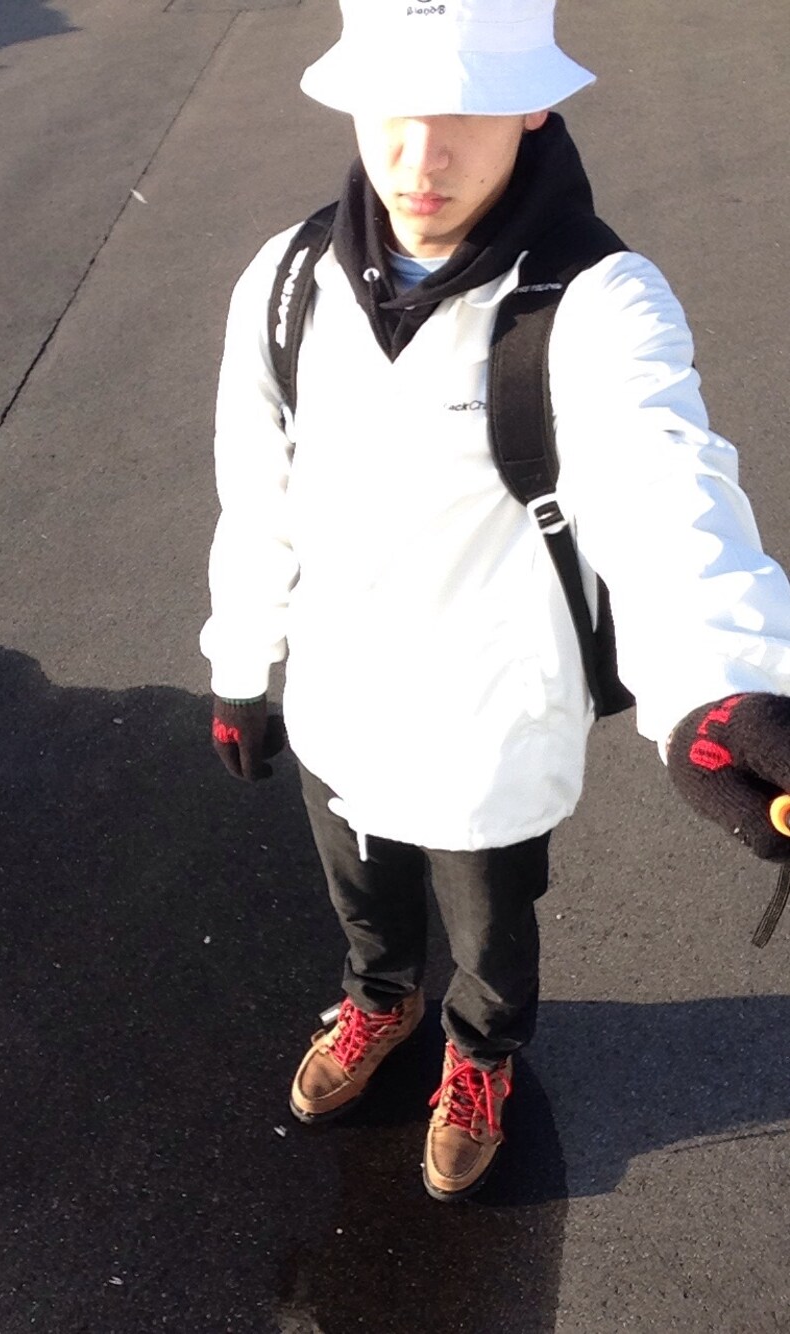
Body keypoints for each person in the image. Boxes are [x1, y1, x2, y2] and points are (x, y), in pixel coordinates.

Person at [200, 0, 790, 1201]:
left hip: (488, 718)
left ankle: (479, 1051)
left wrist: (722, 680)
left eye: (466, 108)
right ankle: (378, 998)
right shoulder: (285, 283)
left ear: (534, 103)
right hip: (336, 697)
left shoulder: (597, 301)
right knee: (362, 894)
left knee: (488, 923)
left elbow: (663, 482)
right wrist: (242, 666)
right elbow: (255, 493)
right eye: (393, 107)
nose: (421, 157)